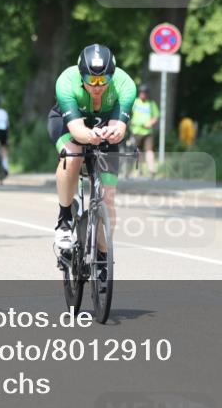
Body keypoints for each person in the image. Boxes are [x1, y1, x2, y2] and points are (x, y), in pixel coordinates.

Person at [48, 44, 136, 256]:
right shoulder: (66, 82)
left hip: (104, 127)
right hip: (68, 125)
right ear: (81, 76)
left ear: (112, 76)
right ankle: (65, 221)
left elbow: (119, 128)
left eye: (103, 80)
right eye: (91, 80)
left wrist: (114, 133)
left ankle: (103, 258)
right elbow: (78, 130)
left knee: (108, 199)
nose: (97, 86)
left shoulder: (126, 85)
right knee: (73, 153)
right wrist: (89, 135)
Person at [130, 83, 159, 177]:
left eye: (145, 92)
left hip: (147, 132)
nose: (143, 94)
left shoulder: (151, 104)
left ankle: (152, 170)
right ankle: (139, 170)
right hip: (136, 131)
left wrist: (150, 123)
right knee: (138, 152)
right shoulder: (135, 102)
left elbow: (156, 117)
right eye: (142, 92)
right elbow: (128, 112)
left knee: (149, 150)